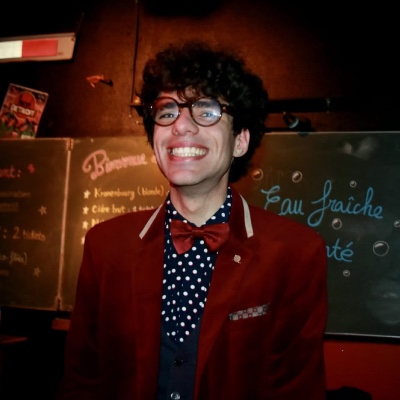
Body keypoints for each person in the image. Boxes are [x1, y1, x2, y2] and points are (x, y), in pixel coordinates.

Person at [57, 41, 328, 400]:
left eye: (207, 110)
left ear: (240, 140)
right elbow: (82, 382)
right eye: (167, 112)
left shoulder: (296, 253)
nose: (181, 126)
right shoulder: (105, 245)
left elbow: (297, 391)